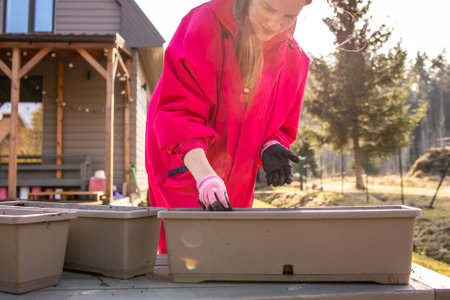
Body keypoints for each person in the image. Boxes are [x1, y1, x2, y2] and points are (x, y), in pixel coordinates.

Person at [145, 0, 311, 253]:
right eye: (267, 8)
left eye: (289, 16)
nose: (274, 24)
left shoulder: (294, 59)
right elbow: (177, 113)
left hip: (238, 174)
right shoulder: (203, 24)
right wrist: (205, 178)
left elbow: (280, 123)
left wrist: (271, 144)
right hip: (187, 163)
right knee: (186, 257)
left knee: (230, 253)